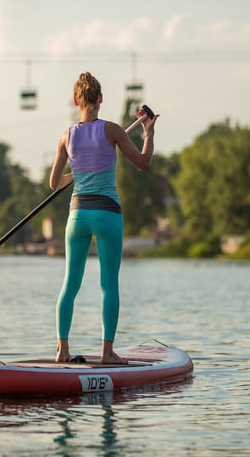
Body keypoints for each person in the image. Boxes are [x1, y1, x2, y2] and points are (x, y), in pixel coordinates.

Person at [49, 72, 159, 364]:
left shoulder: (66, 136)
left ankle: (62, 350)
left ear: (76, 101)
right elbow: (144, 163)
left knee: (69, 284)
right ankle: (108, 353)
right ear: (100, 99)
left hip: (78, 215)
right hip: (108, 213)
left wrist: (77, 173)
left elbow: (54, 182)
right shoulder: (112, 130)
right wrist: (148, 132)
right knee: (109, 283)